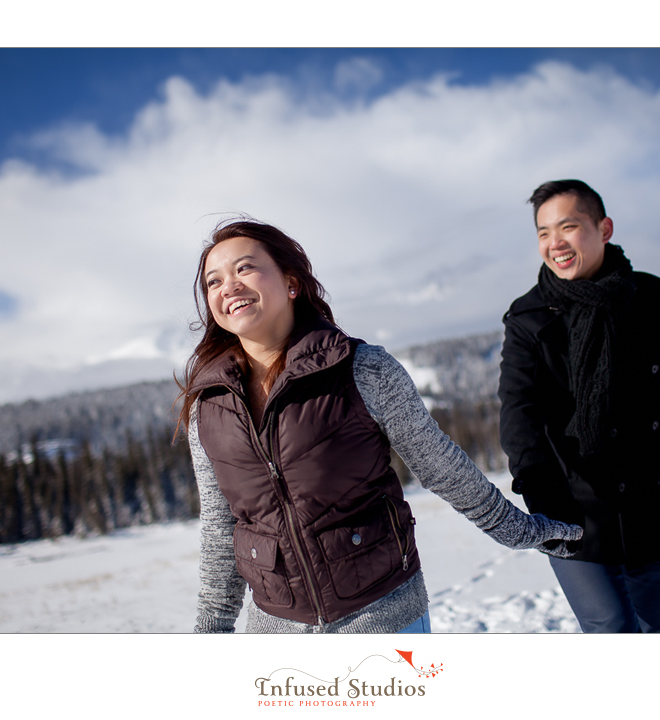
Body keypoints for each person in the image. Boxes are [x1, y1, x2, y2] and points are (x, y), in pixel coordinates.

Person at [178, 218, 583, 633]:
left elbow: (441, 468)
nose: (228, 286)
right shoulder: (208, 407)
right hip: (276, 632)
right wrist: (212, 630)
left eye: (245, 268)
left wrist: (519, 531)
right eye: (213, 281)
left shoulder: (362, 369)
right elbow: (220, 529)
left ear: (291, 282)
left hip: (383, 618)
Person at [497, 180, 660, 633]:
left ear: (604, 229)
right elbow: (518, 414)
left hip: (651, 504)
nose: (554, 243)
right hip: (574, 511)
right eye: (543, 232)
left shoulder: (648, 300)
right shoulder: (528, 320)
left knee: (656, 626)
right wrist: (545, 504)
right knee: (611, 629)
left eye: (568, 226)